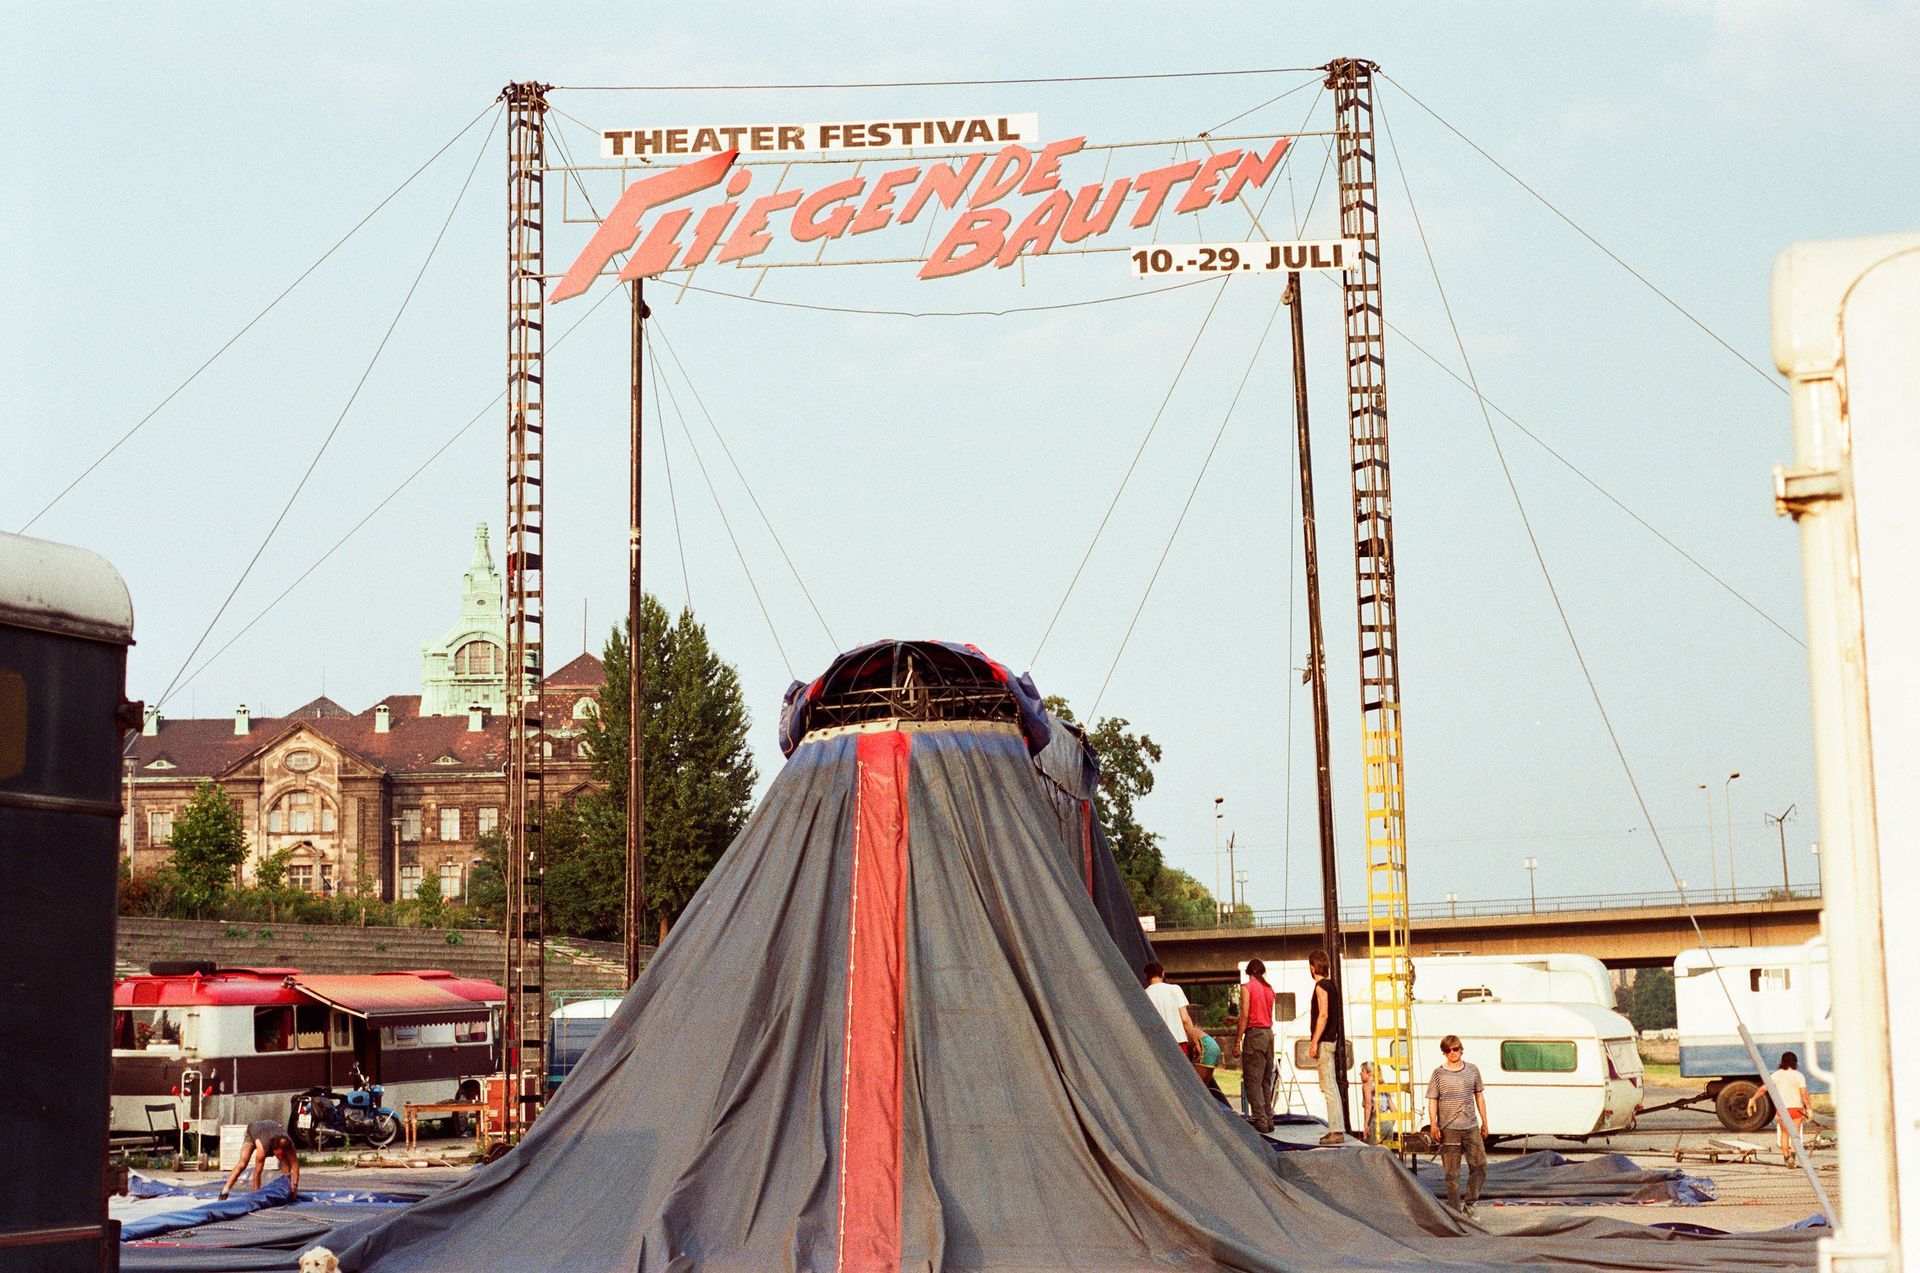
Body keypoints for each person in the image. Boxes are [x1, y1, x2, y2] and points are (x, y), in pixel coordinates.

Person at [1425, 1035, 1488, 1216]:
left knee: (1480, 1165)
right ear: (1444, 1053)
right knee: (1452, 1174)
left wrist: (1484, 1121)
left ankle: (1470, 1204)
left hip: (1471, 1126)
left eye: (1455, 1049)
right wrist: (1433, 1124)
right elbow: (1433, 1100)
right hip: (1449, 1129)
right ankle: (1454, 1210)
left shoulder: (1473, 1070)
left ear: (1461, 1049)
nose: (1452, 1053)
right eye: (1447, 1050)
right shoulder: (1438, 1074)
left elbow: (1479, 1097)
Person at [1306, 949, 1347, 1144]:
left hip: (1324, 1042)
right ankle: (1337, 1128)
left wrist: (1314, 1042)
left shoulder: (1321, 986)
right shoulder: (1332, 986)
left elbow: (1323, 1015)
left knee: (1328, 1086)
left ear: (1312, 967)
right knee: (1331, 1085)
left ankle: (1336, 1131)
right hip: (1332, 1040)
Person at [1236, 958, 1277, 1134]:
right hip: (1268, 1035)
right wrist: (1235, 1020)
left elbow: (1246, 1016)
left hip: (1255, 1037)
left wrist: (1237, 1041)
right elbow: (1260, 1014)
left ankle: (1260, 1121)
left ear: (1249, 972)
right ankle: (1268, 1119)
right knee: (1265, 1081)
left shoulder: (1247, 987)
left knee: (1253, 1081)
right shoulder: (1269, 989)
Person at [1754, 1050, 1814, 1165]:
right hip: (1796, 1110)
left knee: (1785, 1134)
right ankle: (1792, 1158)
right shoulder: (1799, 1076)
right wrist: (1809, 1109)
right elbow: (1804, 1094)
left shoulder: (1776, 1075)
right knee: (1795, 1136)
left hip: (1782, 1110)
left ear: (1782, 1062)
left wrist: (1753, 1099)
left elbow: (1763, 1089)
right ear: (1795, 1062)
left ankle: (1786, 1159)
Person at [219, 1119, 301, 1200]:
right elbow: (257, 1172)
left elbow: (295, 1164)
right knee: (243, 1163)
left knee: (285, 1162)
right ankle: (225, 1190)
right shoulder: (263, 1149)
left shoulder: (288, 1143)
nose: (280, 1157)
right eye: (279, 1155)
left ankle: (286, 1189)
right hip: (253, 1131)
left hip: (270, 1128)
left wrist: (295, 1186)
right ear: (274, 1150)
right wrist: (256, 1195)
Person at [1143, 961, 1207, 1058]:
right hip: (1178, 1042)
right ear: (1163, 973)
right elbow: (1185, 1019)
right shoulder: (1175, 989)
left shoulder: (1143, 995)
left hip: (1155, 1045)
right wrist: (1195, 1041)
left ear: (1145, 976)